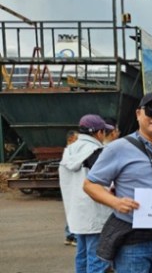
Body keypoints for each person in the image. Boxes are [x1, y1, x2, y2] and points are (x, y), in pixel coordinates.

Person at [84, 92, 152, 273]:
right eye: (151, 111)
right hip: (133, 241)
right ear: (138, 114)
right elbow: (90, 184)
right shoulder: (119, 148)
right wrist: (116, 202)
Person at [59, 116, 113, 273]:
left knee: (82, 256)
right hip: (97, 214)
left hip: (77, 214)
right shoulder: (96, 152)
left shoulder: (69, 150)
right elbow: (108, 181)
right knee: (98, 258)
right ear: (99, 133)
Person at [64, 129, 79, 247]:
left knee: (71, 209)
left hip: (71, 186)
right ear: (70, 139)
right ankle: (73, 236)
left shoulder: (69, 151)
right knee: (75, 211)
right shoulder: (70, 151)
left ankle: (69, 235)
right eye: (76, 138)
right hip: (73, 186)